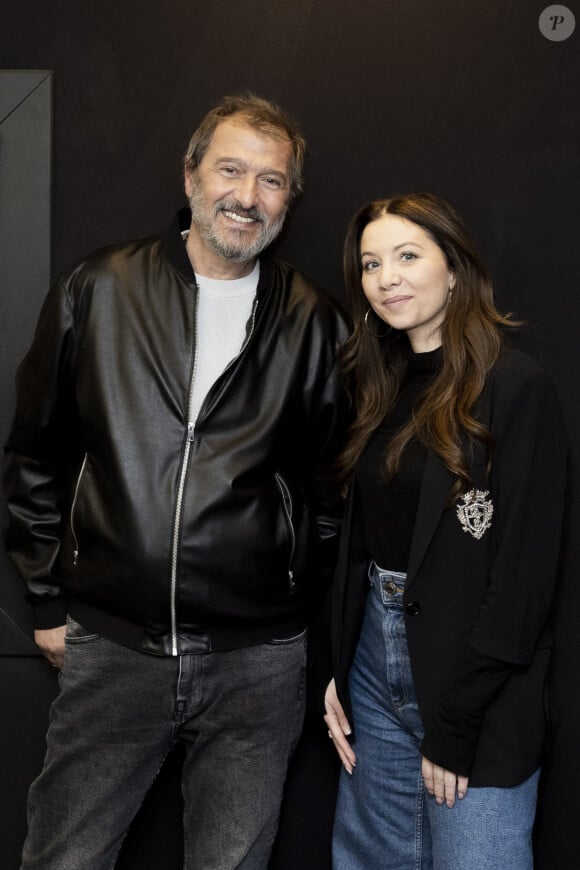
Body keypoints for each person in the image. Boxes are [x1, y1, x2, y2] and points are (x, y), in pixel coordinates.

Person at [3, 93, 349, 870]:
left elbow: (332, 493)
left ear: (289, 199)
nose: (247, 196)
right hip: (113, 647)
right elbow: (33, 454)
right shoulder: (97, 289)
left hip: (258, 662)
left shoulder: (315, 322)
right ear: (190, 174)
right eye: (231, 169)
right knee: (65, 858)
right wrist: (47, 599)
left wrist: (295, 605)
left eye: (271, 180)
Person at [323, 193, 567, 869]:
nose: (386, 278)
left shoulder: (516, 388)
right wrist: (338, 668)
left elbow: (523, 581)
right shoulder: (374, 384)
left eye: (407, 256)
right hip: (373, 667)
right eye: (371, 264)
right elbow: (356, 541)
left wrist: (455, 724)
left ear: (455, 269)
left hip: (479, 680)